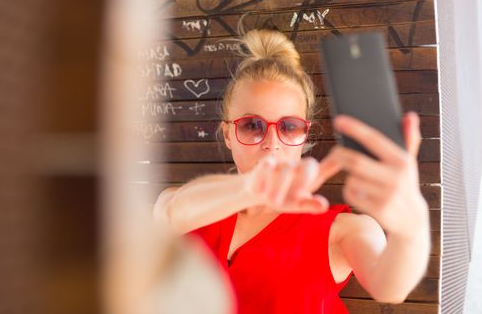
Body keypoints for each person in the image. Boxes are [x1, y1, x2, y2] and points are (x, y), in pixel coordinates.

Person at [153, 29, 431, 314]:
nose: (272, 145)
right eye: (252, 126)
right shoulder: (190, 209)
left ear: (304, 135)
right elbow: (168, 214)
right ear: (227, 134)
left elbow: (391, 287)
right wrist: (250, 189)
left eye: (288, 127)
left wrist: (412, 229)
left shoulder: (341, 230)